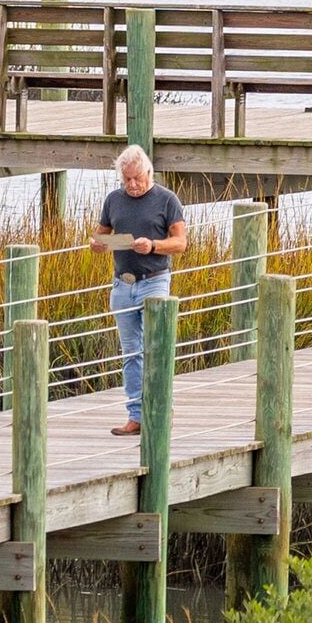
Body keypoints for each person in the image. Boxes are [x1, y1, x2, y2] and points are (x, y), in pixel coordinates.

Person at [97, 148, 188, 436]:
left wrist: (153, 245)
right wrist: (98, 243)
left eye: (137, 178)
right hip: (122, 284)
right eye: (127, 180)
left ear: (148, 172)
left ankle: (162, 410)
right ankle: (135, 416)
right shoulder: (114, 200)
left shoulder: (167, 200)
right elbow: (99, 235)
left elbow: (181, 242)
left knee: (156, 348)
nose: (132, 185)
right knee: (131, 353)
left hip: (154, 280)